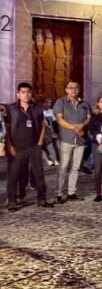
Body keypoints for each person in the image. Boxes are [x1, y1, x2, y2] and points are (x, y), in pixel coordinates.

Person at [4, 82, 52, 210]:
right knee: (13, 175)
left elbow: (42, 125)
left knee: (39, 174)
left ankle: (42, 199)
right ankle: (12, 201)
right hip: (17, 147)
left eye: (29, 92)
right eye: (23, 92)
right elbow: (7, 129)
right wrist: (10, 146)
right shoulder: (11, 109)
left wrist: (40, 141)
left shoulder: (37, 108)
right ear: (18, 94)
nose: (26, 95)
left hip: (34, 146)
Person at [53, 79, 92, 203]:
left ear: (79, 90)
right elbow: (59, 120)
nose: (73, 90)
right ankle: (59, 193)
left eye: (75, 87)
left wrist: (82, 125)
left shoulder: (85, 103)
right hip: (66, 139)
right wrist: (75, 127)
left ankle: (71, 192)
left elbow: (88, 118)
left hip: (80, 140)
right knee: (63, 167)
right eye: (70, 87)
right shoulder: (61, 102)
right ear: (66, 90)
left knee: (75, 167)